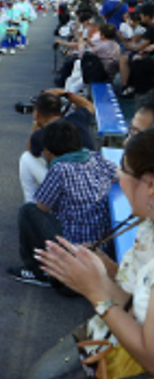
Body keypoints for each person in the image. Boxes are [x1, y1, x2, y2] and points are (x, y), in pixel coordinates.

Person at [36, 128, 154, 378]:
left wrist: (96, 291)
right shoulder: (147, 226)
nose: (117, 176)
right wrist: (101, 272)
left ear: (150, 185)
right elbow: (135, 307)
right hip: (106, 339)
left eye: (123, 169)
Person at [10, 119, 117, 290]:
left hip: (71, 269)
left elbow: (42, 206)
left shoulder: (59, 170)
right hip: (100, 261)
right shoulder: (95, 158)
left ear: (49, 152)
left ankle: (38, 272)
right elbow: (119, 173)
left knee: (28, 211)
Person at [20, 89, 97, 204]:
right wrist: (66, 93)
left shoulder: (42, 134)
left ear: (37, 114)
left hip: (66, 184)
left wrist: (36, 124)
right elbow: (89, 105)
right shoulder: (79, 117)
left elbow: (32, 150)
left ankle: (31, 203)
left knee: (26, 158)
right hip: (91, 180)